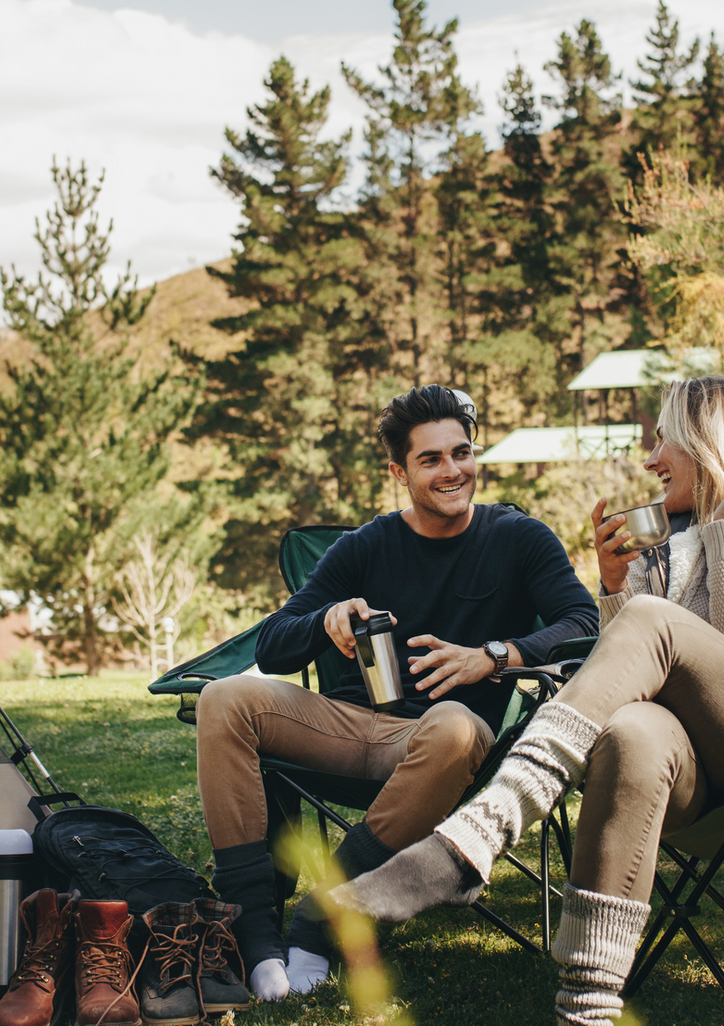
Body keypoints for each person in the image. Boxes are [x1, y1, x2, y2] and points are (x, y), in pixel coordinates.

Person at [334, 376, 724, 1024]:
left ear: (716, 444)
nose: (650, 459)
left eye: (664, 440)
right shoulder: (674, 540)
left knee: (650, 623)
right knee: (634, 734)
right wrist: (616, 585)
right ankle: (587, 1005)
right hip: (698, 765)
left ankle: (481, 830)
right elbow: (635, 668)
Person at [196, 384, 600, 1000]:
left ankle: (325, 916)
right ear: (398, 471)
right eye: (431, 459)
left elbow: (583, 623)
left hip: (454, 743)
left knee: (455, 724)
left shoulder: (518, 537)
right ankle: (254, 935)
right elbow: (272, 644)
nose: (452, 471)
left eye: (461, 453)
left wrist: (493, 657)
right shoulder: (365, 546)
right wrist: (323, 619)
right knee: (222, 699)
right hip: (354, 727)